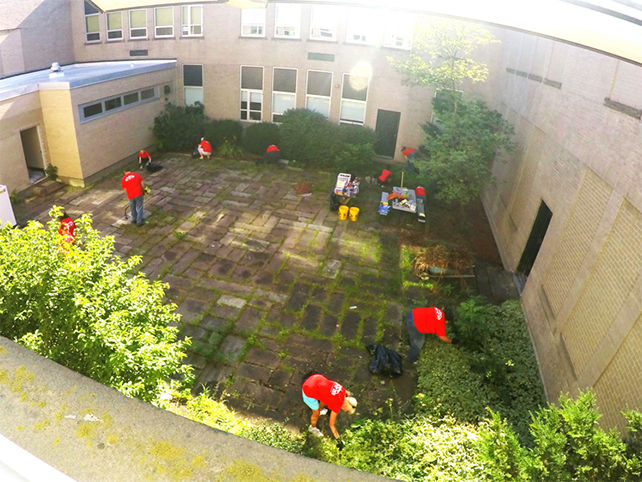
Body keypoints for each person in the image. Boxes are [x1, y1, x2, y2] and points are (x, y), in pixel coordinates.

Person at [301, 372, 357, 450]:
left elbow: (328, 395)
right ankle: (312, 428)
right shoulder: (336, 405)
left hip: (315, 378)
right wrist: (339, 441)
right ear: (345, 406)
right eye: (346, 410)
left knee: (326, 397)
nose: (344, 411)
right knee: (315, 413)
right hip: (308, 389)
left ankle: (319, 409)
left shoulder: (343, 391)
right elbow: (331, 425)